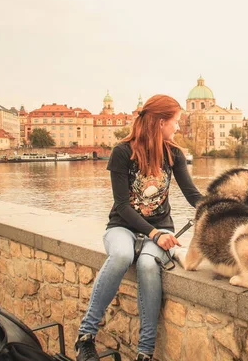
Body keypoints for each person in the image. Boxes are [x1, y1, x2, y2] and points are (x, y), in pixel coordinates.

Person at [75, 94, 203, 361]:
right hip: (122, 227)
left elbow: (192, 195)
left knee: (146, 265)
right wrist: (153, 234)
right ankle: (85, 336)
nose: (177, 128)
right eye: (175, 122)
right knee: (122, 255)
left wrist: (222, 207)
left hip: (161, 227)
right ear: (159, 123)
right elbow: (122, 206)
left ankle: (144, 353)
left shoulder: (174, 154)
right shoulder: (122, 152)